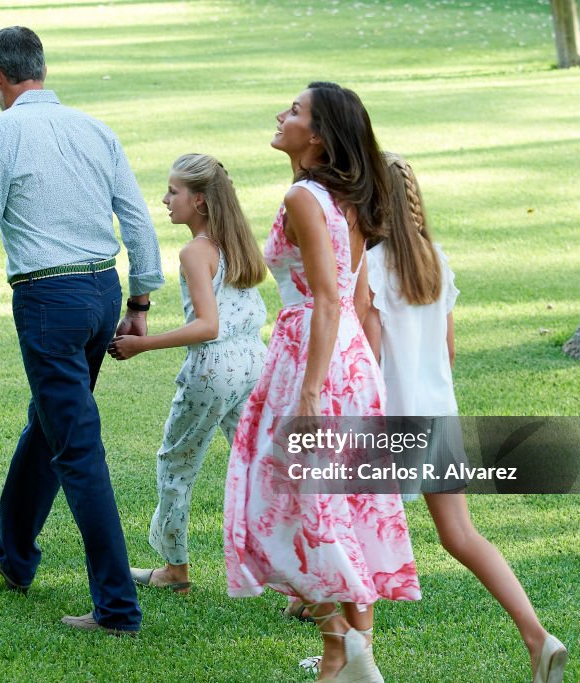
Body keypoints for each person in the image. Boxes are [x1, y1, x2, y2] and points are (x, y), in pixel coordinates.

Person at [0, 26, 164, 636]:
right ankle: (15, 556)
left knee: (77, 449)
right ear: (40, 68)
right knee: (50, 423)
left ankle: (117, 610)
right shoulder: (95, 128)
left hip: (47, 301)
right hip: (101, 292)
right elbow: (137, 218)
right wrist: (139, 298)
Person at [223, 83, 420, 683]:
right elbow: (359, 298)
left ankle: (345, 649)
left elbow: (330, 299)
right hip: (350, 361)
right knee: (343, 505)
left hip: (312, 357)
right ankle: (349, 656)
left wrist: (311, 391)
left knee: (289, 505)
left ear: (318, 136)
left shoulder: (303, 197)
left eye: (295, 111)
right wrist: (363, 384)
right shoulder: (346, 199)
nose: (281, 115)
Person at [360, 153, 567, 683]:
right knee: (461, 534)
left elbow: (368, 354)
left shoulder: (371, 266)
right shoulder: (436, 258)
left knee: (359, 535)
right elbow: (448, 351)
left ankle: (353, 660)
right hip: (438, 415)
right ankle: (537, 635)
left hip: (389, 421)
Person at [107, 153, 267, 594]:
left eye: (173, 191)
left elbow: (207, 326)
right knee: (258, 467)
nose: (164, 199)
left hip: (214, 370)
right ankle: (299, 579)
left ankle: (175, 569)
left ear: (199, 201)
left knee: (176, 463)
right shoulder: (237, 241)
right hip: (254, 363)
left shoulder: (196, 251)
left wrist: (142, 344)